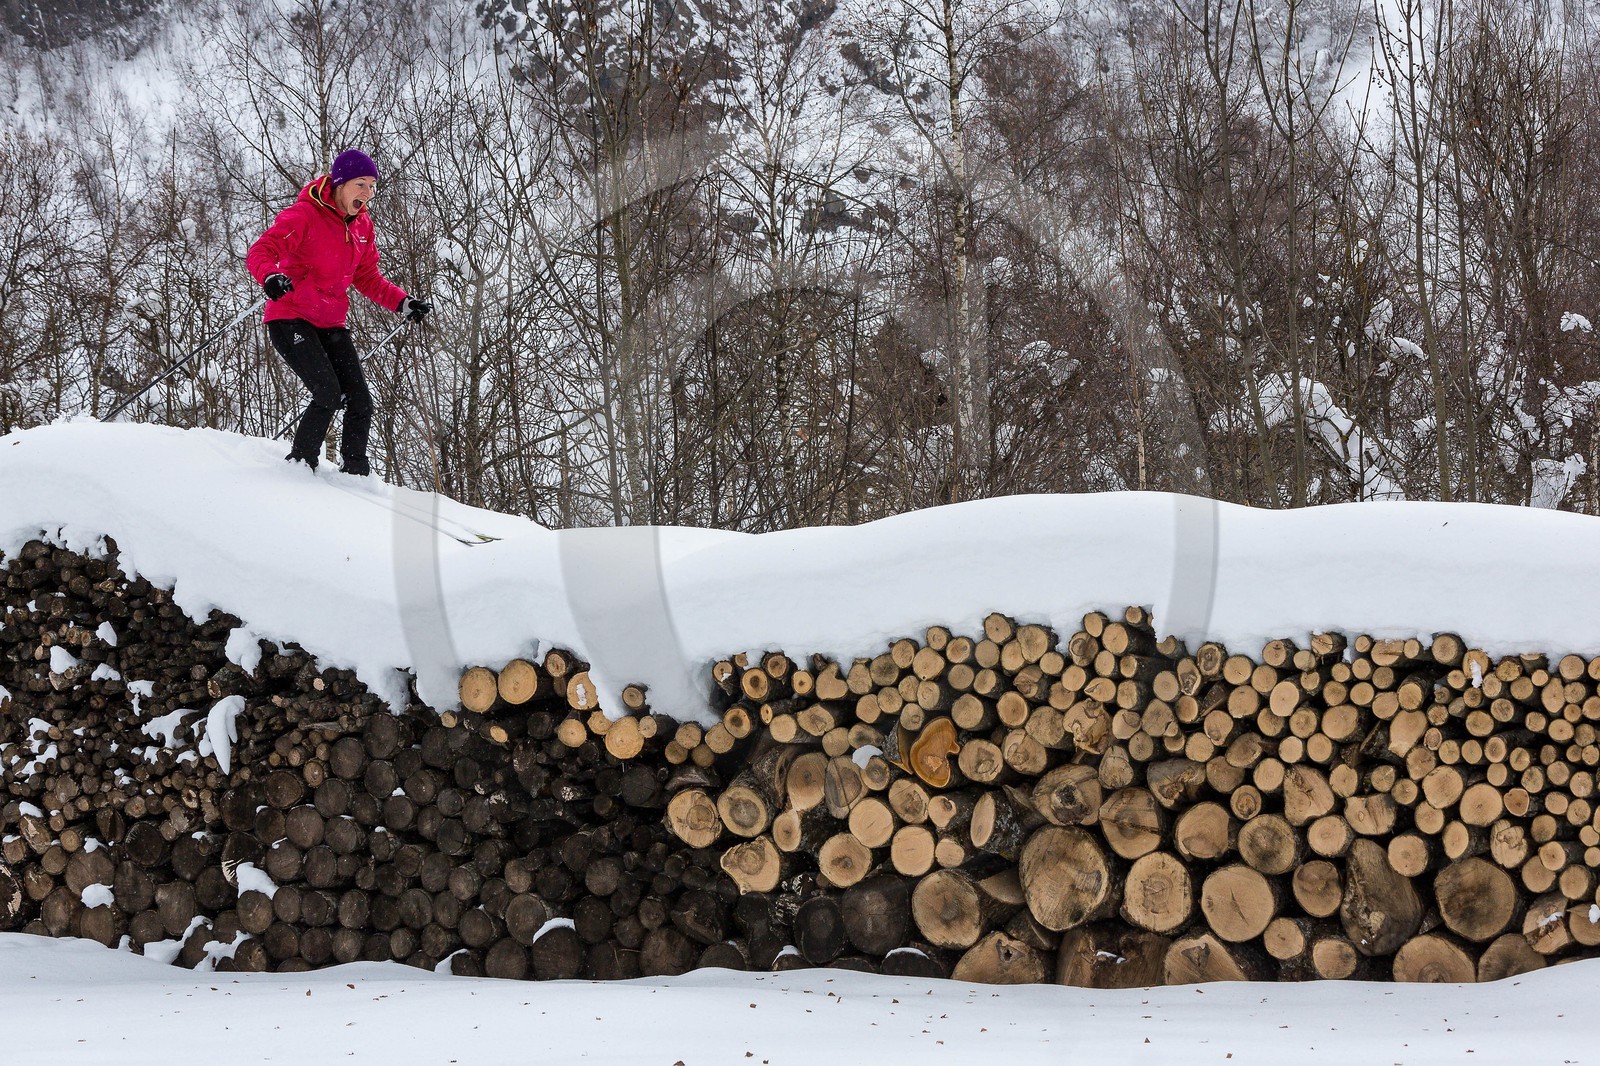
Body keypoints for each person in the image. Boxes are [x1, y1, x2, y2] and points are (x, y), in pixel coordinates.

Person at [246, 149, 431, 475]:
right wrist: (270, 275)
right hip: (291, 317)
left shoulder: (362, 227)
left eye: (372, 186)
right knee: (328, 392)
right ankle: (301, 465)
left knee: (360, 401)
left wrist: (403, 302)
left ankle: (355, 475)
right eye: (361, 184)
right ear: (340, 183)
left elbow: (368, 278)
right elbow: (263, 250)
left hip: (331, 322)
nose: (367, 193)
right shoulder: (304, 215)